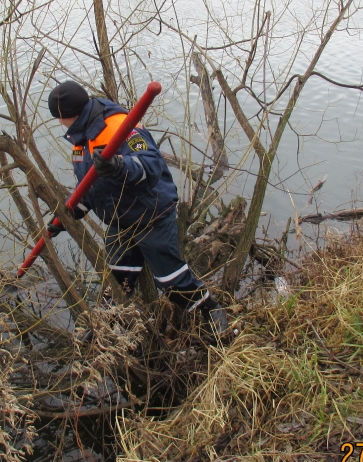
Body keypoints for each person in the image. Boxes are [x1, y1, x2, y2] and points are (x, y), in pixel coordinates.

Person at [46, 80, 232, 341]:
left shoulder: (118, 126)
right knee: (117, 280)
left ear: (69, 116)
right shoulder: (80, 138)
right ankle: (109, 331)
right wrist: (65, 218)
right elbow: (88, 188)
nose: (59, 124)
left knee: (171, 280)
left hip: (150, 214)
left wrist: (120, 166)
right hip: (120, 219)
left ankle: (212, 311)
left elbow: (152, 165)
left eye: (59, 118)